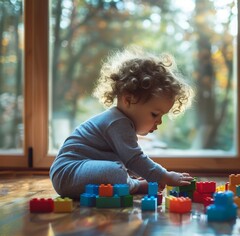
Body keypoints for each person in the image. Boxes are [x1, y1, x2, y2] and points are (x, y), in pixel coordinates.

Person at [49, 47, 194, 198]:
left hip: (75, 173)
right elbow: (135, 160)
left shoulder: (119, 120)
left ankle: (132, 184)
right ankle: (135, 185)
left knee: (117, 169)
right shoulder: (118, 122)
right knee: (116, 170)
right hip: (68, 173)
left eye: (162, 116)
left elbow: (130, 160)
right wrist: (165, 176)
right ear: (128, 99)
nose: (159, 122)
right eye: (155, 114)